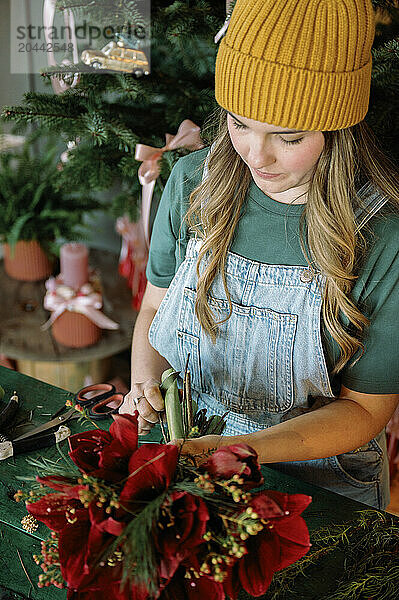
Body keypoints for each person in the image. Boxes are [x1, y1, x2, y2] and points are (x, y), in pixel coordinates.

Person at [119, 0, 399, 510]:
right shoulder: (192, 186)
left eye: (288, 137)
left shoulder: (382, 235)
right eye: (240, 124)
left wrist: (233, 451)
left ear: (338, 129)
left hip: (321, 487)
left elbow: (364, 411)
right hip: (190, 453)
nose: (256, 155)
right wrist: (144, 386)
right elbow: (157, 309)